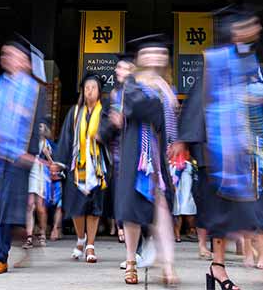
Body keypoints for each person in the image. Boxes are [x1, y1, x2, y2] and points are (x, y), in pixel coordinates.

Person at [173, 5, 263, 290]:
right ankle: (219, 269)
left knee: (256, 213)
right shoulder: (215, 60)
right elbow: (198, 100)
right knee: (220, 216)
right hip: (216, 150)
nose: (256, 30)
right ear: (236, 30)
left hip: (244, 149)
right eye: (250, 25)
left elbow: (256, 94)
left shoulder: (249, 61)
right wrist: (185, 139)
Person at [102, 35, 179, 285]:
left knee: (163, 209)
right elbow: (138, 108)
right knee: (133, 213)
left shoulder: (168, 87)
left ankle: (168, 266)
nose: (156, 57)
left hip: (161, 158)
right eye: (150, 53)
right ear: (141, 58)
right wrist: (157, 99)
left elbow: (170, 122)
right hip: (136, 157)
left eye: (160, 53)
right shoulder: (133, 84)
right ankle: (131, 262)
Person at [0, 39, 49, 275]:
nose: (7, 58)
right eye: (5, 54)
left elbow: (39, 124)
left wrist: (32, 155)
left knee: (9, 207)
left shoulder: (34, 89)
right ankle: (26, 241)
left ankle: (0, 257)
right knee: (5, 207)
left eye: (13, 54)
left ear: (26, 62)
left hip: (19, 157)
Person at [52, 73, 109, 263]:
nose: (89, 91)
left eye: (93, 87)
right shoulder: (75, 113)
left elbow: (111, 136)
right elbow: (66, 139)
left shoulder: (104, 112)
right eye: (86, 88)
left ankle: (90, 245)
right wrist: (60, 163)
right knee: (77, 207)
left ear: (99, 91)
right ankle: (80, 239)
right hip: (78, 166)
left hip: (98, 166)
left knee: (94, 207)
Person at [102, 55, 136, 245]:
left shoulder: (138, 93)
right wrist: (104, 130)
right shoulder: (114, 95)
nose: (117, 71)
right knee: (119, 194)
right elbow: (106, 122)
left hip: (135, 154)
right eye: (117, 68)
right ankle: (121, 226)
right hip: (117, 156)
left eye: (122, 68)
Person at [26, 124, 55, 248]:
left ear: (46, 130)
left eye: (42, 127)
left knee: (40, 208)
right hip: (30, 172)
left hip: (41, 174)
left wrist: (47, 154)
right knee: (29, 205)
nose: (39, 128)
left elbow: (52, 164)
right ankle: (29, 237)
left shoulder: (47, 144)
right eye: (38, 126)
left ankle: (42, 233)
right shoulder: (29, 141)